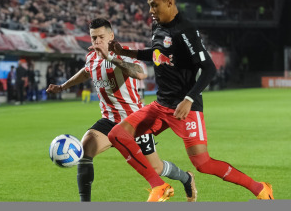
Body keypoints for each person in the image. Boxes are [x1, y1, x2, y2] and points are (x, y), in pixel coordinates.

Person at [107, 0, 274, 202]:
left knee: (203, 164)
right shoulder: (158, 26)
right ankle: (159, 186)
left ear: (169, 2)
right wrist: (127, 52)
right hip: (159, 105)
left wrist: (188, 98)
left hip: (185, 108)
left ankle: (260, 188)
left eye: (154, 5)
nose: (151, 11)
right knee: (117, 135)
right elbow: (157, 54)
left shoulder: (185, 30)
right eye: (149, 5)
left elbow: (209, 69)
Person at [46, 18, 197, 202]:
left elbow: (141, 73)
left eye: (101, 37)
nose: (97, 42)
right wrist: (62, 87)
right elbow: (86, 72)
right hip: (109, 121)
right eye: (94, 38)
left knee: (156, 169)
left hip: (135, 122)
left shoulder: (122, 54)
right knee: (85, 150)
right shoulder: (92, 57)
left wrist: (110, 57)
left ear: (111, 36)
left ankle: (186, 178)